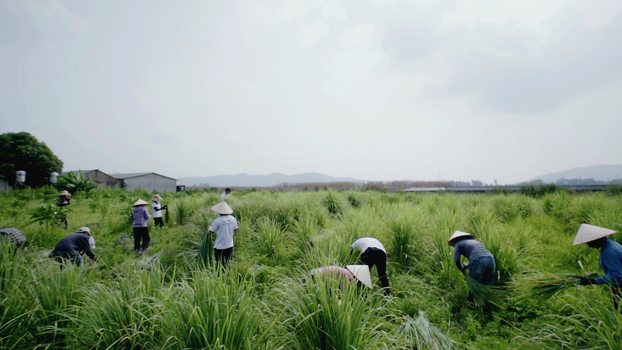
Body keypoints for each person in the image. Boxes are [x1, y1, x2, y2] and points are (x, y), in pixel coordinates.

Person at [573, 224, 622, 309]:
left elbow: (616, 275)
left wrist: (593, 281)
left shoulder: (609, 251)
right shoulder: (611, 245)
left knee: (618, 312)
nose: (588, 245)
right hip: (618, 285)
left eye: (589, 242)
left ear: (596, 239)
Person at [208, 201, 238, 267]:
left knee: (219, 263)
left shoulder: (217, 220)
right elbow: (236, 231)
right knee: (228, 262)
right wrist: (228, 232)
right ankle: (228, 274)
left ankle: (220, 275)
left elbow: (210, 232)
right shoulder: (233, 219)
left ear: (219, 212)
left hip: (219, 246)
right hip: (230, 244)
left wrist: (209, 228)